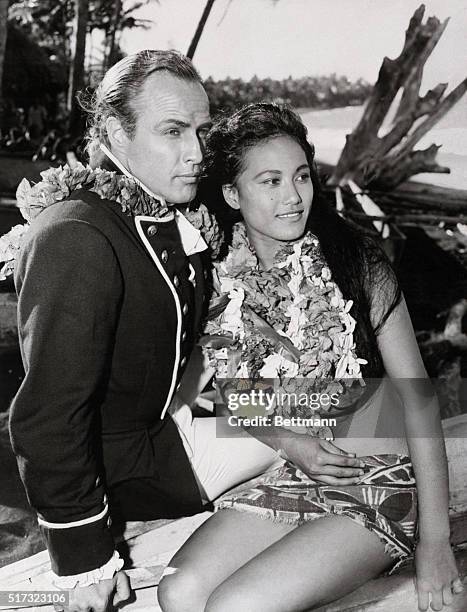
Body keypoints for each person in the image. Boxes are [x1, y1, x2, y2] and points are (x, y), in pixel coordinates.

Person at [158, 103, 463, 612]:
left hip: (377, 477)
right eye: (270, 181)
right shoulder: (218, 279)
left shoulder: (357, 261)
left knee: (236, 606)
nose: (293, 196)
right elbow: (235, 393)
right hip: (292, 473)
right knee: (179, 591)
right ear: (232, 194)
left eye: (301, 177)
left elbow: (419, 401)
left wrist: (435, 544)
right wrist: (289, 443)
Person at [7, 49, 215, 612]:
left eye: (201, 131)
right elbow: (48, 417)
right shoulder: (78, 235)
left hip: (162, 432)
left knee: (351, 414)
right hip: (108, 471)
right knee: (363, 425)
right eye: (172, 131)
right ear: (112, 134)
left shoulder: (169, 217)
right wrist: (86, 558)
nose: (196, 153)